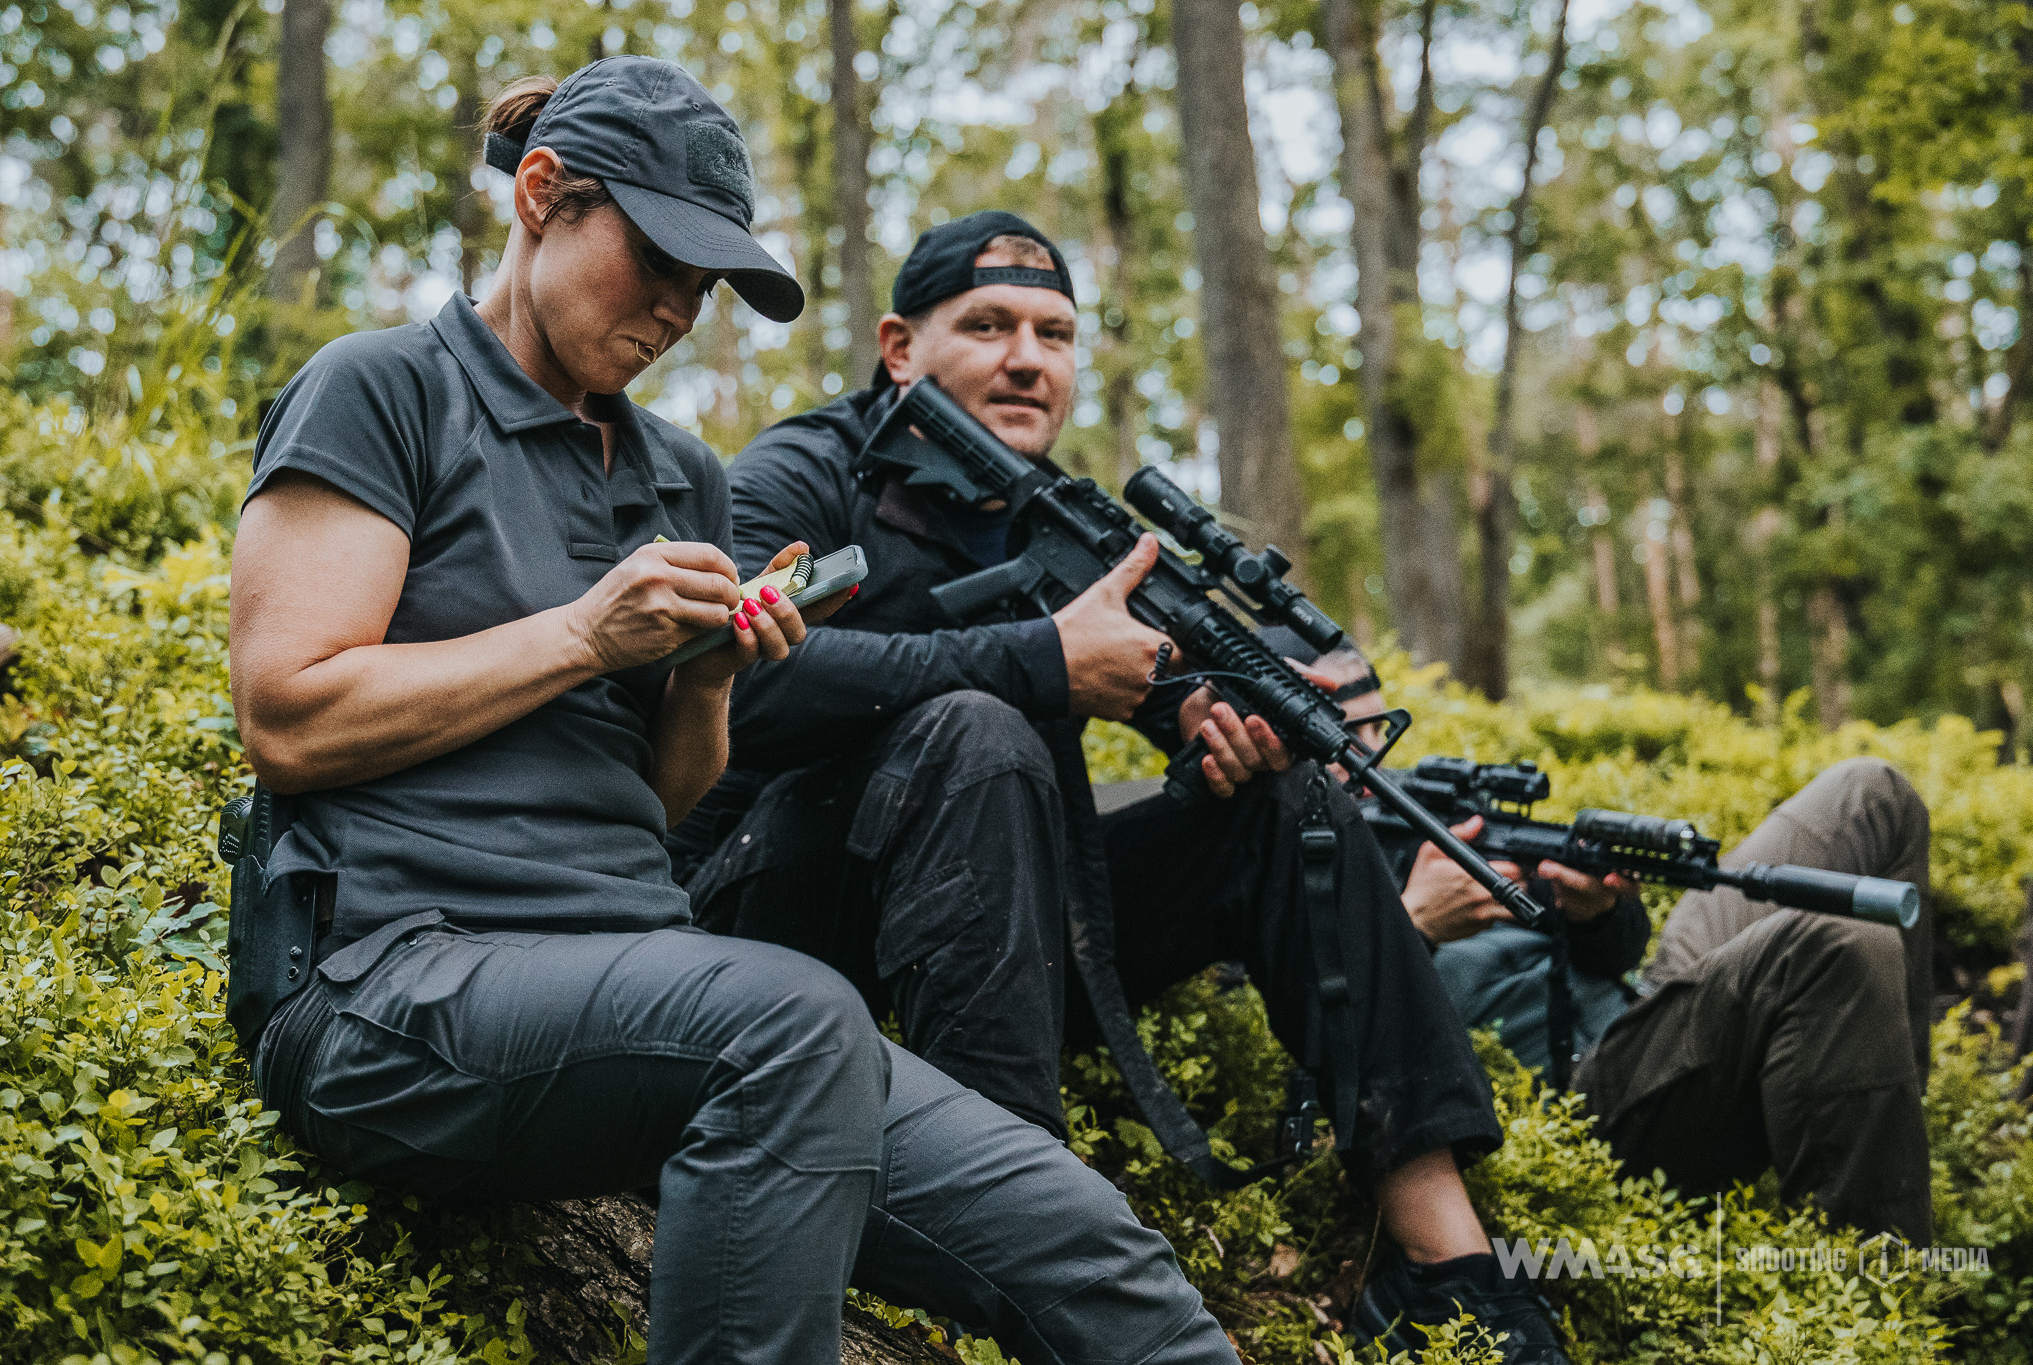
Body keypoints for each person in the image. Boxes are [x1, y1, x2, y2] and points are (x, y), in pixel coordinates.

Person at [229, 61, 1240, 1365]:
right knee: (793, 1014)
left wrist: (702, 676)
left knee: (1095, 1252)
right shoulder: (381, 391)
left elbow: (655, 802)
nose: (674, 311)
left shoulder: (680, 477)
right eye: (655, 261)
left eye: (704, 287)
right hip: (386, 991)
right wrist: (588, 633)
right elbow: (290, 715)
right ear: (543, 197)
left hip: (634, 989)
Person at [671, 211, 1570, 1364]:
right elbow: (739, 687)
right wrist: (1036, 662)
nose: (1026, 358)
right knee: (976, 729)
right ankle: (1020, 1225)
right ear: (899, 346)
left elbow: (1157, 691)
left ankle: (1444, 1261)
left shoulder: (1071, 524)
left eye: (1054, 333)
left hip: (987, 923)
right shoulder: (801, 473)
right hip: (773, 920)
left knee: (1282, 804)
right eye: (986, 325)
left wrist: (1214, 731)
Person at [1305, 643, 1935, 1242]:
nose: (1365, 756)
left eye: (1375, 730)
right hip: (1582, 1104)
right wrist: (1417, 927)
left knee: (1871, 794)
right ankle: (1881, 1277)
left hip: (1642, 1010)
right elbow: (1306, 1067)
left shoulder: (1413, 807)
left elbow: (1616, 955)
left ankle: (1879, 1121)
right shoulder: (1278, 871)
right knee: (1837, 948)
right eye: (1336, 735)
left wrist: (1596, 914)